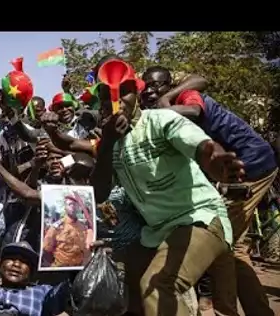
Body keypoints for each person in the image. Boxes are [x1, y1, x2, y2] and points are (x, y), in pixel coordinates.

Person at [91, 58, 244, 316]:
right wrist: (106, 144)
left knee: (159, 285)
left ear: (137, 93)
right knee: (117, 277)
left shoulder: (160, 121)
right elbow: (99, 194)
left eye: (123, 91)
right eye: (106, 95)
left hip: (200, 219)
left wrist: (216, 161)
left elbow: (201, 146)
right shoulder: (110, 140)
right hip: (157, 233)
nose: (115, 100)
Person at [141, 65, 279, 316]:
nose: (151, 90)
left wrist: (165, 108)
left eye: (157, 85)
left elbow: (194, 108)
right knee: (235, 247)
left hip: (251, 164)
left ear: (169, 85)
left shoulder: (185, 97)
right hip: (246, 164)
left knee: (218, 237)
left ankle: (225, 311)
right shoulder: (165, 102)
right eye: (146, 86)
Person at [41, 193, 94, 268]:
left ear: (78, 207)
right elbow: (46, 251)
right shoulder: (56, 227)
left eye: (75, 204)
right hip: (60, 267)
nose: (73, 207)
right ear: (65, 208)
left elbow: (86, 249)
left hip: (78, 268)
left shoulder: (83, 227)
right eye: (70, 204)